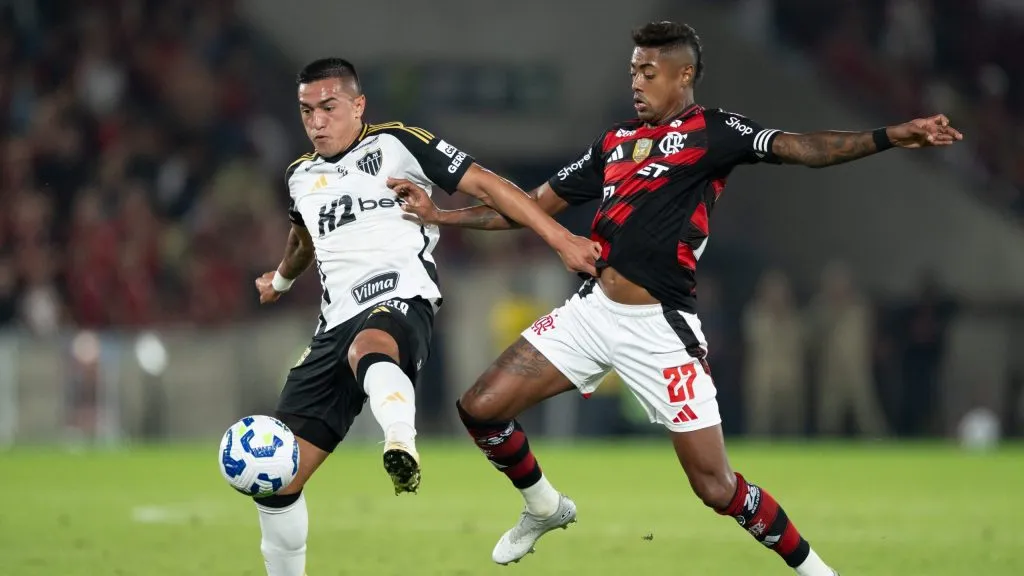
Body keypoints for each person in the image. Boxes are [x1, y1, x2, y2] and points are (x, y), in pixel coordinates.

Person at [388, 21, 961, 575]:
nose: (635, 82)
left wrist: (892, 135)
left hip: (660, 328)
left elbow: (802, 147)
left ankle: (814, 568)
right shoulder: (615, 142)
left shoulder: (714, 133)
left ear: (683, 75)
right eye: (633, 70)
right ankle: (543, 505)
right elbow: (529, 204)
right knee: (481, 407)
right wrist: (442, 214)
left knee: (716, 487)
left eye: (648, 71)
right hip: (591, 313)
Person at [248, 57, 599, 576]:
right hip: (332, 325)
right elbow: (304, 239)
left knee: (370, 344)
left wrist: (562, 238)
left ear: (358, 105)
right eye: (306, 112)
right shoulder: (300, 176)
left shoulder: (398, 143)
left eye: (328, 108)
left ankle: (400, 441)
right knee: (278, 479)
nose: (317, 121)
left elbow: (490, 187)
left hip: (401, 297)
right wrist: (279, 280)